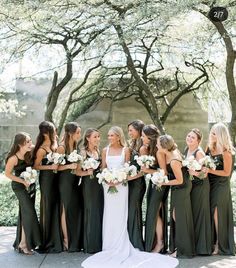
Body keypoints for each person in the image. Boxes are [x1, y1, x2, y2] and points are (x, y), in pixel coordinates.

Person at [82, 126, 178, 268]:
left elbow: (127, 168)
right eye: (108, 135)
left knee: (121, 214)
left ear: (118, 137)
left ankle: (122, 242)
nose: (109, 138)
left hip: (122, 185)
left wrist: (120, 178)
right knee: (109, 214)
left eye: (112, 135)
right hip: (108, 184)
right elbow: (103, 167)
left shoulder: (126, 150)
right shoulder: (104, 151)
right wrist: (106, 178)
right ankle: (108, 244)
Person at [157, 134, 195, 258]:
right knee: (176, 216)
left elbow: (180, 180)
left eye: (158, 143)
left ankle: (183, 249)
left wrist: (163, 182)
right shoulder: (172, 152)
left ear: (164, 147)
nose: (156, 145)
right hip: (178, 188)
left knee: (178, 216)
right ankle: (180, 247)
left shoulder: (173, 160)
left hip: (182, 188)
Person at [5, 132, 41, 255]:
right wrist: (22, 181)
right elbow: (8, 174)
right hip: (19, 187)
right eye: (28, 141)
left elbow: (39, 147)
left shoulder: (29, 151)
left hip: (30, 186)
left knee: (25, 214)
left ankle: (22, 243)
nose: (30, 143)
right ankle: (23, 244)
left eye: (30, 140)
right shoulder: (13, 158)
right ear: (20, 144)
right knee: (29, 214)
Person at [204, 122, 235, 255]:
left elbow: (226, 173)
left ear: (221, 135)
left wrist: (210, 170)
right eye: (211, 132)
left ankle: (219, 245)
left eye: (214, 133)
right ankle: (210, 242)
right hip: (208, 184)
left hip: (221, 185)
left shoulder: (226, 152)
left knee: (217, 213)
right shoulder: (209, 148)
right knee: (210, 212)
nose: (211, 134)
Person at [33, 121, 62, 253]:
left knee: (55, 205)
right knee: (47, 206)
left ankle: (55, 240)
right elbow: (36, 166)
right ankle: (45, 241)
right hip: (46, 180)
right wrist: (50, 166)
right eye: (52, 130)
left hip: (56, 179)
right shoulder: (41, 149)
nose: (55, 131)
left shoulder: (54, 143)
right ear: (45, 133)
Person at [141, 125, 169, 253]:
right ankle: (157, 242)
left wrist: (148, 170)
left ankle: (160, 243)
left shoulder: (159, 151)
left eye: (143, 136)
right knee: (153, 213)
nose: (142, 138)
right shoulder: (149, 149)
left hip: (160, 185)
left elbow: (163, 172)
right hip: (154, 183)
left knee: (155, 212)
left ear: (150, 137)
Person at [184, 129, 211, 255]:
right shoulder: (186, 149)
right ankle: (194, 245)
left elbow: (205, 174)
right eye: (189, 136)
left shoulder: (199, 153)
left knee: (200, 215)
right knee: (193, 214)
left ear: (198, 141)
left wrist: (194, 173)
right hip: (191, 186)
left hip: (200, 186)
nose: (189, 138)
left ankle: (202, 248)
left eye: (193, 137)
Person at [57, 122, 83, 252]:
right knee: (65, 208)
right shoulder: (62, 147)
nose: (80, 135)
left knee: (74, 209)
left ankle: (74, 238)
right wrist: (68, 166)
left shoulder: (75, 146)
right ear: (70, 133)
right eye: (78, 132)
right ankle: (66, 240)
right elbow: (55, 168)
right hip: (65, 181)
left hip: (75, 181)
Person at [80, 128, 104, 253]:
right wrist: (87, 172)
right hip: (89, 184)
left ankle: (98, 243)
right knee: (91, 210)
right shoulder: (83, 152)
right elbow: (76, 171)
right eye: (95, 137)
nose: (98, 139)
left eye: (98, 136)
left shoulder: (98, 151)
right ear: (88, 138)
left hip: (99, 184)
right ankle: (90, 245)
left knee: (98, 210)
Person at [127, 120, 146, 250]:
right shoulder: (132, 144)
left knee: (135, 209)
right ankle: (130, 239)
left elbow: (143, 170)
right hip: (130, 182)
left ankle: (137, 242)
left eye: (131, 131)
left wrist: (132, 177)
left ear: (139, 131)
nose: (129, 133)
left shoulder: (143, 147)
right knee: (130, 210)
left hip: (138, 183)